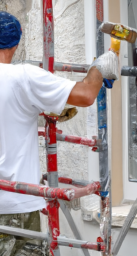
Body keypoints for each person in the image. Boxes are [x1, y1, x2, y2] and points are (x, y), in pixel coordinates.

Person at [0, 11, 118, 255]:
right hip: (14, 203)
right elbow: (86, 95)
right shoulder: (23, 77)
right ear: (16, 43)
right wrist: (100, 67)